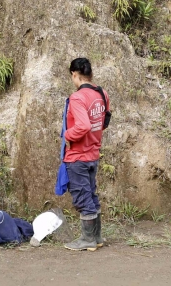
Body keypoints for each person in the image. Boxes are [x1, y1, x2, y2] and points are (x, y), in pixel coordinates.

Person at [63, 57, 110, 251]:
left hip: (78, 156)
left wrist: (67, 134)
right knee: (91, 194)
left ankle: (87, 240)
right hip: (93, 154)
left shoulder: (77, 97)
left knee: (83, 197)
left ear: (75, 74)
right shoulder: (102, 93)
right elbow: (105, 120)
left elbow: (83, 125)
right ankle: (96, 237)